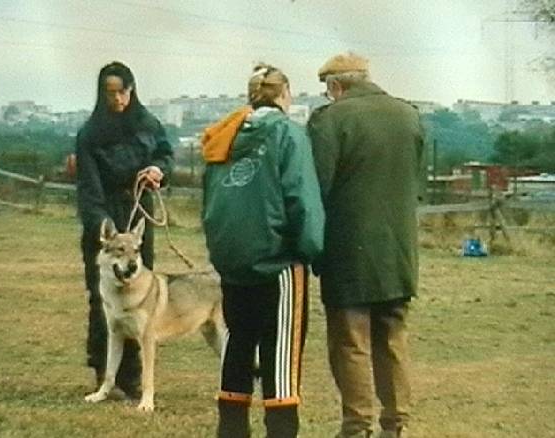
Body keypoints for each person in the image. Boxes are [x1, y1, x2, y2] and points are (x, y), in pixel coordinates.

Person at [201, 63, 325, 438]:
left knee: (238, 345)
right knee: (280, 357)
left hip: (233, 262)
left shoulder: (224, 134)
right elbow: (302, 199)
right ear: (284, 94)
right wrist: (312, 250)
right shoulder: (288, 134)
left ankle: (231, 430)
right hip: (278, 263)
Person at [307, 53, 425, 438]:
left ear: (335, 86)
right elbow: (415, 183)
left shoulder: (329, 120)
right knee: (392, 339)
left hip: (348, 251)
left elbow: (318, 187)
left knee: (350, 342)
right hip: (399, 251)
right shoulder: (408, 115)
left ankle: (357, 426)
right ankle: (396, 424)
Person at [75, 61, 173, 398]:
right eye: (110, 93)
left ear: (132, 90)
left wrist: (158, 170)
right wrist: (105, 227)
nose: (117, 99)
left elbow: (165, 154)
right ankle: (106, 374)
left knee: (140, 296)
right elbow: (88, 189)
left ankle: (133, 376)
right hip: (105, 220)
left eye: (123, 91)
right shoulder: (90, 134)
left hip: (138, 211)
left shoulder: (148, 123)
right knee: (103, 298)